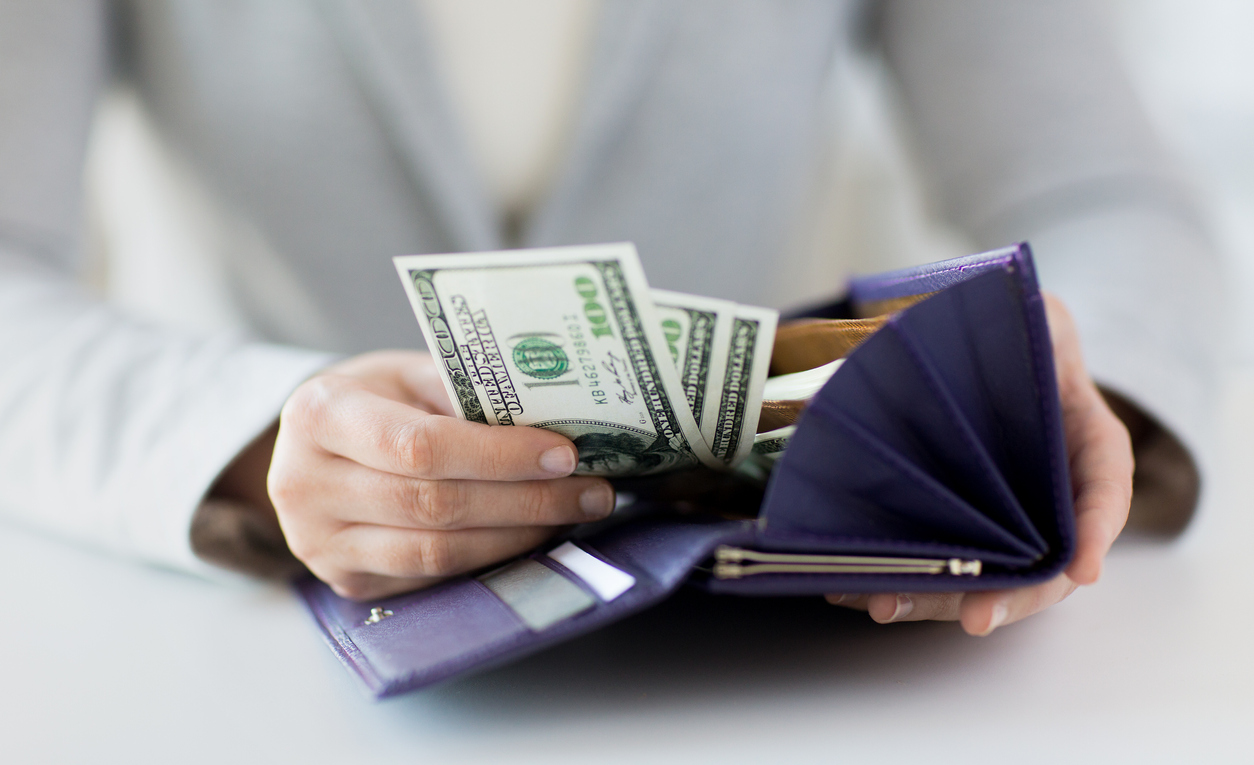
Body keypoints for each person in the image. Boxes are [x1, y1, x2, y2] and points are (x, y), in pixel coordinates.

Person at [0, 0, 1223, 635]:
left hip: (772, 658)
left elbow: (1101, 192)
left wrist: (1043, 398)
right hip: (235, 654)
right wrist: (254, 438)